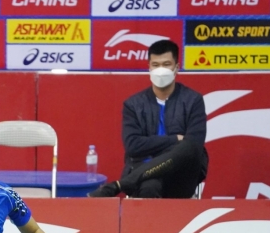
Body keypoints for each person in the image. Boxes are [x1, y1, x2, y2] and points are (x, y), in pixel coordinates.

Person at [89, 39, 208, 199]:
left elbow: (194, 146)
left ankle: (120, 185)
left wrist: (161, 144)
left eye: (166, 64)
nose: (160, 70)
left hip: (181, 175)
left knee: (189, 146)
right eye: (156, 65)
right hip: (143, 171)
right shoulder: (133, 104)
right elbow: (133, 145)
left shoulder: (193, 100)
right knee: (149, 185)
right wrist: (174, 140)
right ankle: (127, 187)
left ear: (177, 68)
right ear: (149, 68)